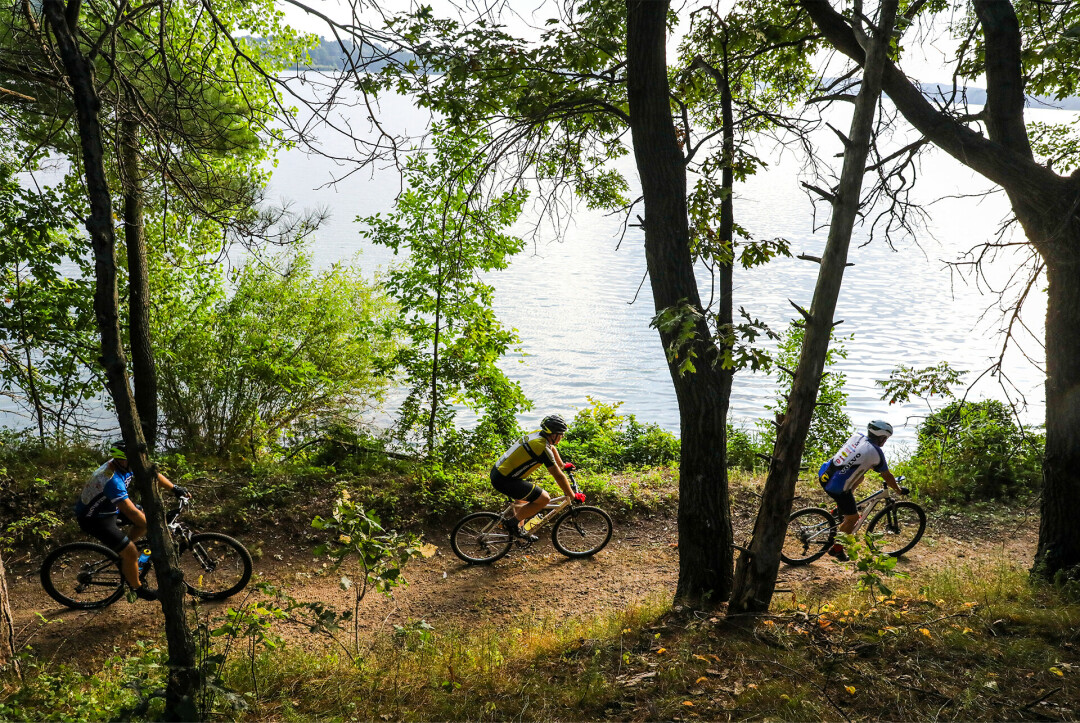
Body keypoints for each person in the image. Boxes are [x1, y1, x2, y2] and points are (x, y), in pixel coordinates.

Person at [74, 441, 189, 600]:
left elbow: (151, 473)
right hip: (94, 518)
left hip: (109, 508)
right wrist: (158, 531)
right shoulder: (112, 481)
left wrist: (174, 488)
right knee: (132, 551)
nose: (135, 464)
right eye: (132, 461)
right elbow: (132, 512)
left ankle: (124, 554)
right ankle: (137, 588)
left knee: (144, 520)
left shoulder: (125, 465)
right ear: (121, 460)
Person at [817, 420, 908, 561]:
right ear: (882, 438)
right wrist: (897, 490)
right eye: (886, 438)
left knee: (860, 477)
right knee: (853, 519)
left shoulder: (857, 437)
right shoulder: (876, 452)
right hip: (836, 488)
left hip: (825, 475)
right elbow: (887, 475)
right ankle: (837, 549)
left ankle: (839, 508)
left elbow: (855, 459)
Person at [490, 414, 583, 540]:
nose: (562, 436)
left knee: (522, 499)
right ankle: (512, 524)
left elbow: (551, 448)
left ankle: (519, 530)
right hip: (505, 480)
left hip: (501, 473)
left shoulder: (539, 434)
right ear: (553, 435)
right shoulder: (541, 447)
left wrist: (562, 465)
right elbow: (558, 477)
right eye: (561, 433)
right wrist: (572, 496)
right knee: (544, 498)